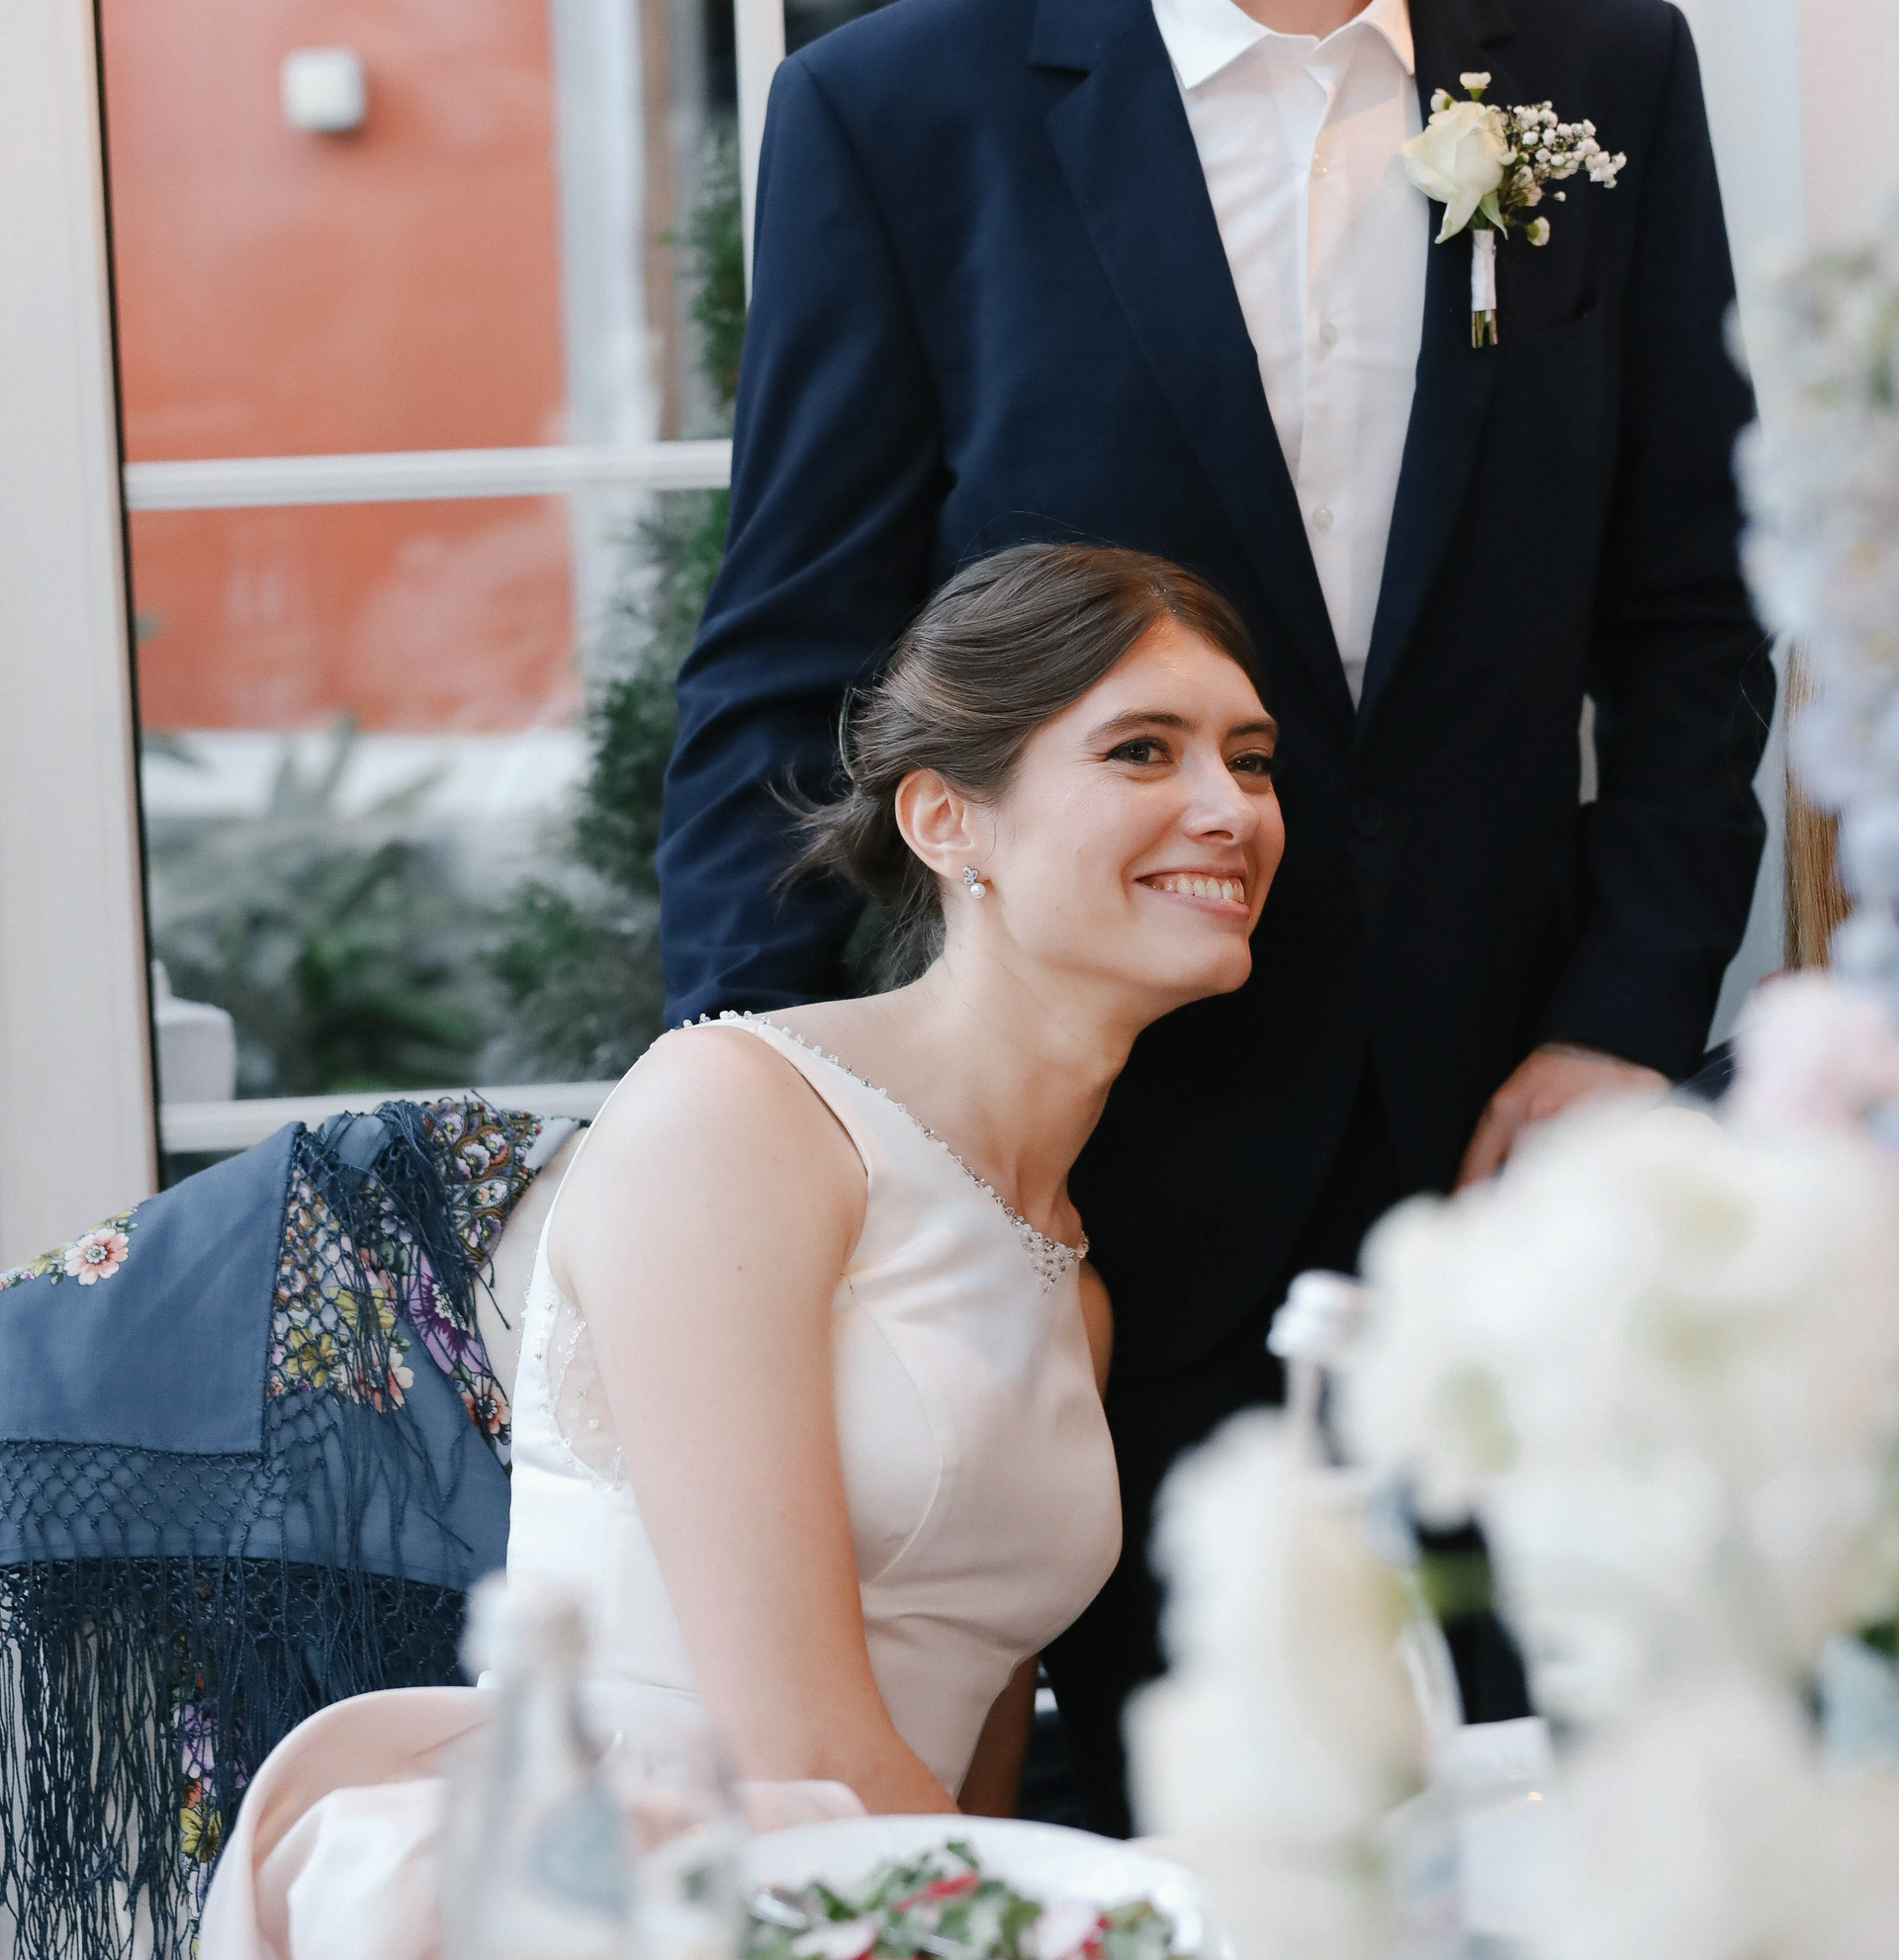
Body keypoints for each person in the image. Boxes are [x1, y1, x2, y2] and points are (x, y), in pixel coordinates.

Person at [655, 0, 1774, 1830]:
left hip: (1509, 1202)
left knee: (1566, 1840)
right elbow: (788, 674)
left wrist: (1621, 1026)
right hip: (1088, 1215)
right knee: (1137, 1865)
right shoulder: (903, 118)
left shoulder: (1605, 79)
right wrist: (789, 1154)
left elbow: (1688, 627)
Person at [198, 543, 1285, 1960]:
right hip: (636, 1889)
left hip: (893, 1903)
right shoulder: (741, 1115)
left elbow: (973, 1778)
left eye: (1250, 760)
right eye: (1144, 750)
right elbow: (798, 1742)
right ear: (947, 820)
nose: (1230, 808)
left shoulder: (1071, 1291)